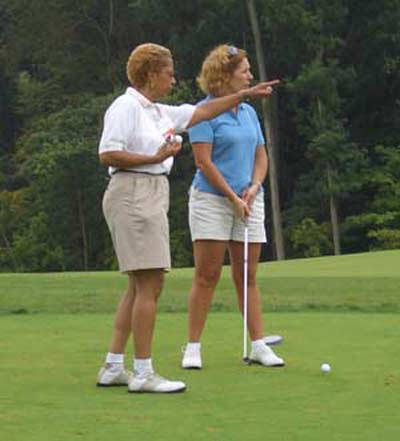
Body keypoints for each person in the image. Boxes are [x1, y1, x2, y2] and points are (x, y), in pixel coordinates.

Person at [97, 43, 278, 393]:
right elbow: (108, 153)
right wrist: (156, 156)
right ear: (151, 74)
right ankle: (144, 373)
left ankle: (114, 366)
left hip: (148, 191)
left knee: (139, 285)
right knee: (151, 283)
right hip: (133, 191)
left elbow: (203, 112)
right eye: (168, 73)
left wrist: (246, 93)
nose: (173, 78)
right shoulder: (126, 107)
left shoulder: (157, 111)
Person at [181, 44, 285, 369]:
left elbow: (260, 156)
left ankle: (257, 344)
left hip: (249, 200)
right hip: (212, 200)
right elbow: (203, 162)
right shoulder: (203, 112)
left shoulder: (250, 113)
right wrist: (232, 197)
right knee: (207, 275)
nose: (250, 76)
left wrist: (254, 188)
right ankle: (193, 348)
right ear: (225, 77)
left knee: (248, 276)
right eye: (245, 71)